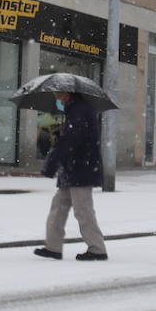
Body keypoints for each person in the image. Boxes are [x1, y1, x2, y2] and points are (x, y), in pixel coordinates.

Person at [34, 91, 108, 261]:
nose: (56, 99)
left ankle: (97, 249)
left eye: (57, 96)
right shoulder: (75, 110)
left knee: (83, 209)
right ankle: (53, 247)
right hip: (73, 169)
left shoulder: (79, 110)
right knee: (58, 207)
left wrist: (51, 164)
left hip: (81, 168)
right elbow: (72, 138)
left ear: (66, 94)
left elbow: (71, 141)